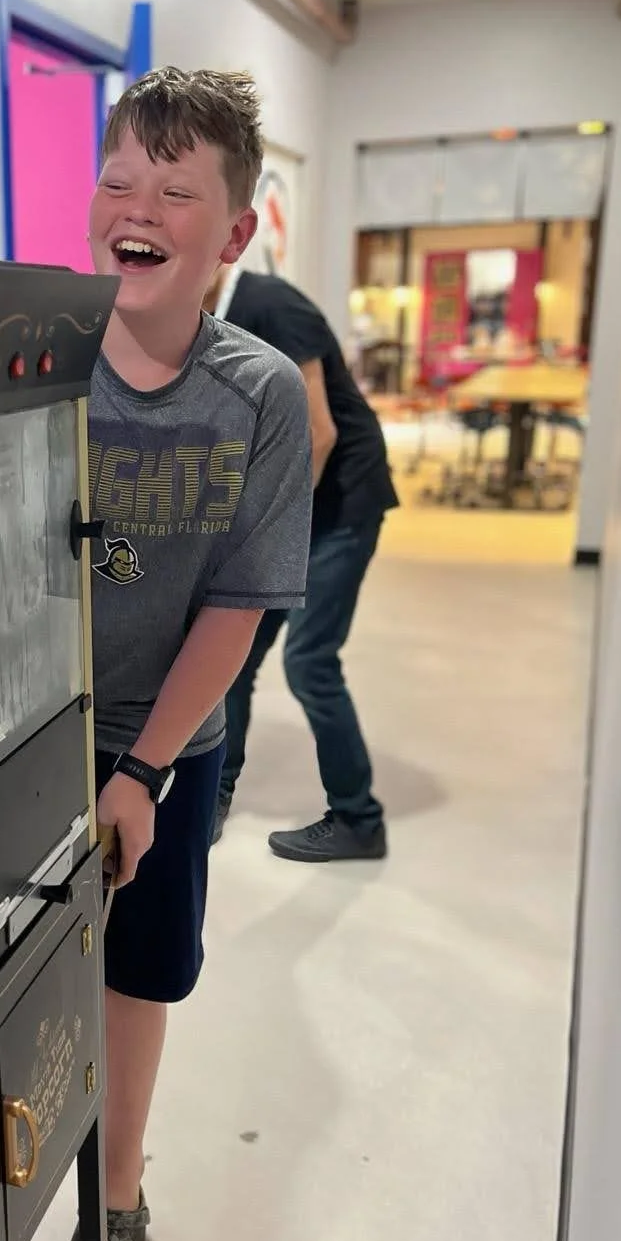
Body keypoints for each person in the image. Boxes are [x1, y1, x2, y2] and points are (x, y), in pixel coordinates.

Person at [0, 67, 313, 1241]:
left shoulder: (257, 396)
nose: (138, 208)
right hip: (24, 737)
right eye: (119, 179)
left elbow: (236, 607)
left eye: (176, 191)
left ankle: (115, 1195)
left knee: (137, 972)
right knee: (3, 989)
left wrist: (140, 774)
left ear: (232, 232)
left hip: (167, 750)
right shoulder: (30, 359)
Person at [205, 265, 399, 861]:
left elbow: (319, 434)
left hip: (340, 508)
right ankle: (212, 796)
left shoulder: (271, 305)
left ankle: (359, 819)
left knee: (310, 661)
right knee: (233, 654)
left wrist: (271, 527)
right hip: (300, 511)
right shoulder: (210, 319)